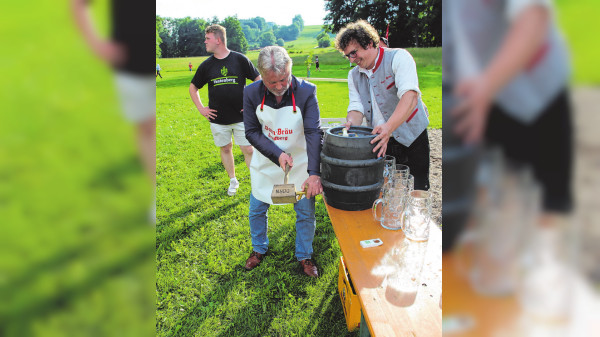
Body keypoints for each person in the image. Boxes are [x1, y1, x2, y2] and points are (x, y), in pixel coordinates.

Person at [446, 1, 572, 227]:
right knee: (483, 212)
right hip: (479, 99)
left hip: (538, 93)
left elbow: (533, 17)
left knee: (544, 211)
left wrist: (484, 88)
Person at [71, 0, 157, 222]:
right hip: (130, 63)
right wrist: (96, 44)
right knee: (146, 127)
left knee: (153, 127)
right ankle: (154, 194)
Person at [242, 46, 323, 278]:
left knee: (305, 212)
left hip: (299, 165)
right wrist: (276, 154)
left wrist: (314, 172)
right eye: (272, 82)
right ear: (261, 76)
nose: (279, 87)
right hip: (267, 163)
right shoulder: (250, 93)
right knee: (257, 210)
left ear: (291, 69)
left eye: (284, 79)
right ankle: (258, 249)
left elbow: (313, 131)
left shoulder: (307, 91)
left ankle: (304, 255)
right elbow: (251, 132)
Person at [336, 20, 431, 190]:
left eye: (354, 52)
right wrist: (351, 122)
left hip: (413, 138)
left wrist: (389, 127)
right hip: (381, 140)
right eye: (348, 55)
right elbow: (356, 107)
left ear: (370, 43)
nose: (352, 59)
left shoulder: (399, 57)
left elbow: (410, 96)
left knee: (417, 190)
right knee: (386, 191)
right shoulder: (353, 75)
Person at [189, 24, 261, 196]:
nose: (204, 42)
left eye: (207, 38)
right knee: (226, 148)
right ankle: (233, 180)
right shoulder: (207, 65)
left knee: (248, 149)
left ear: (218, 40)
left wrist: (252, 104)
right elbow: (193, 88)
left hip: (242, 117)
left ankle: (256, 183)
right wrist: (201, 109)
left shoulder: (240, 59)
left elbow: (258, 80)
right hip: (218, 119)